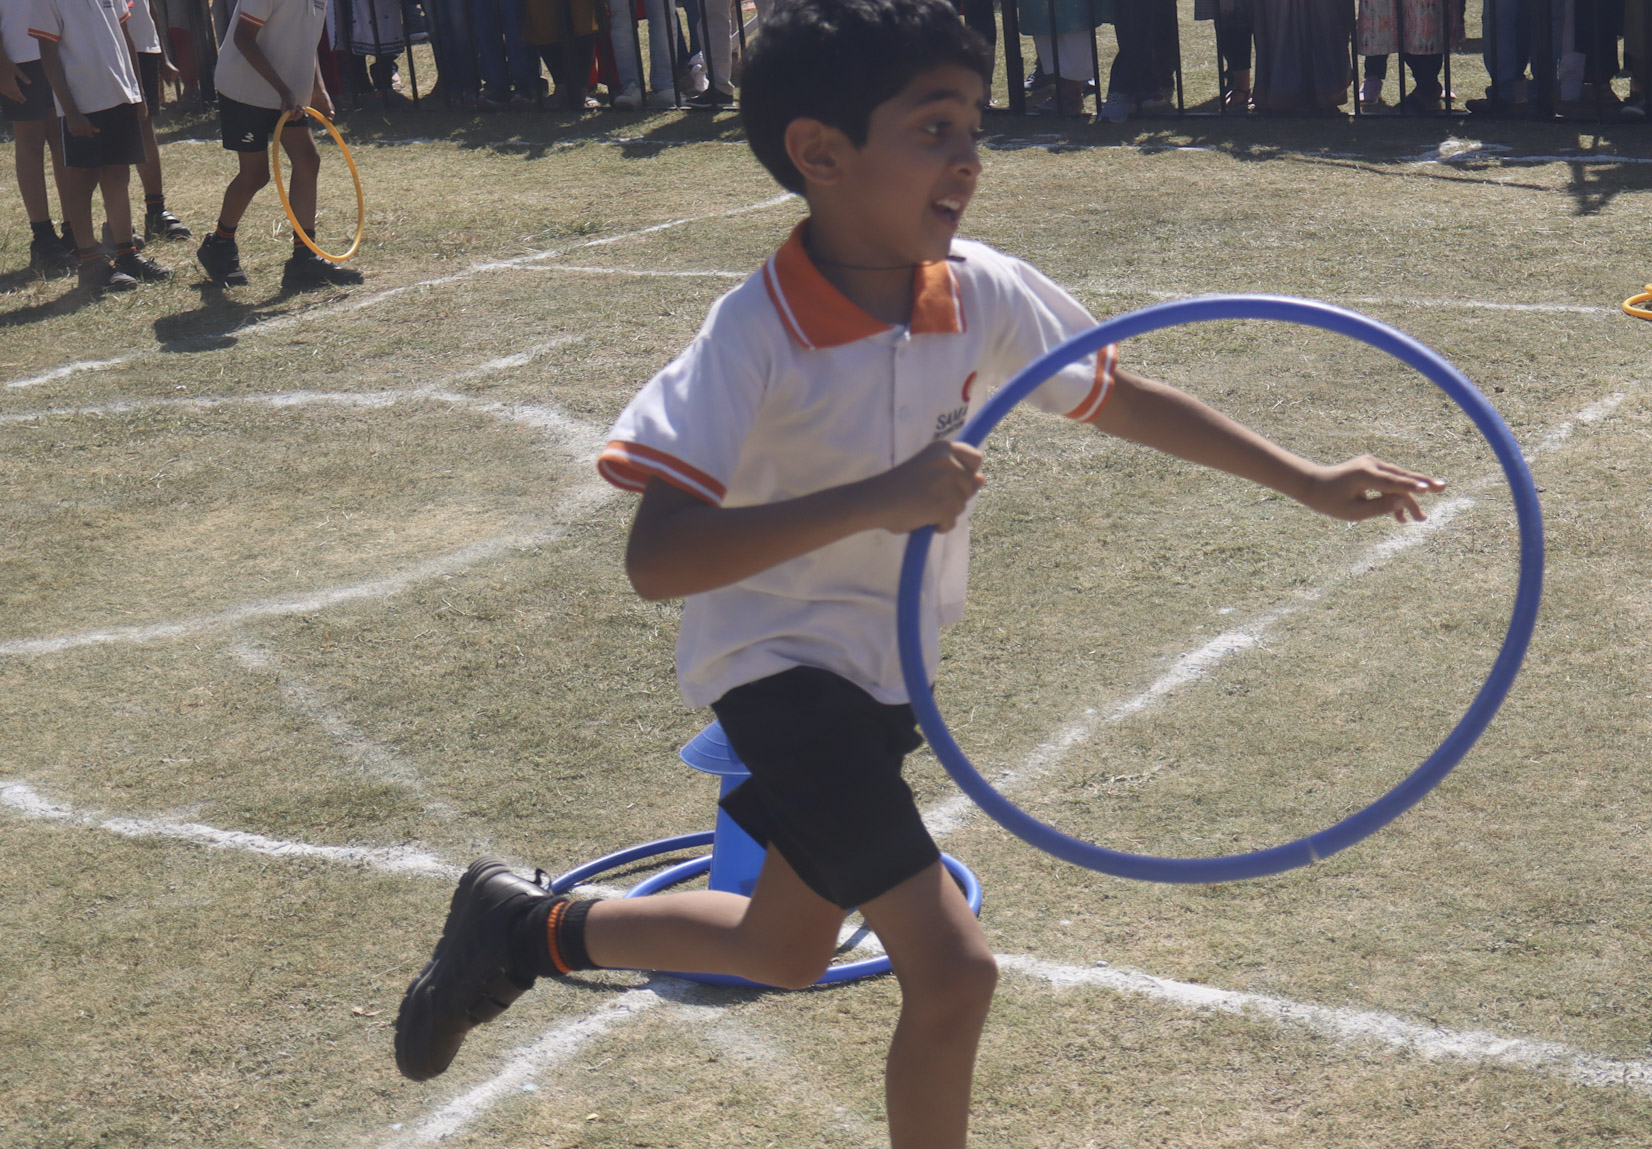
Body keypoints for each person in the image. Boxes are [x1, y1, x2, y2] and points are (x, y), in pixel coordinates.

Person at [391, 4, 1446, 1148]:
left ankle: (521, 930)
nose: (970, 157)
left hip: (885, 673)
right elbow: (658, 560)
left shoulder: (980, 289)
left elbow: (1117, 397)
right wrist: (874, 498)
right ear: (820, 152)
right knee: (954, 970)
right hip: (781, 675)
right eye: (935, 127)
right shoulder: (753, 336)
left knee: (780, 949)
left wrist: (1302, 478)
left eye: (974, 127)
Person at [197, 0, 362, 289]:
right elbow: (243, 38)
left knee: (308, 159)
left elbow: (306, 40)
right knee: (255, 174)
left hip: (288, 93)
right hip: (245, 90)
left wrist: (318, 89)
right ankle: (219, 244)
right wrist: (283, 89)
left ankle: (304, 258)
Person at [31, 0, 173, 290]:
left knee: (118, 175)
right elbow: (48, 55)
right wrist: (70, 111)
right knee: (82, 180)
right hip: (82, 103)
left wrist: (138, 93)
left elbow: (125, 36)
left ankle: (126, 254)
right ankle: (90, 262)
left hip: (120, 95)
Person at [2, 0, 76, 274]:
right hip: (19, 54)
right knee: (31, 142)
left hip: (61, 47)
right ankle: (43, 238)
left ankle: (74, 229)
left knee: (63, 138)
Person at [122, 0, 190, 240]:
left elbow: (149, 7)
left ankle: (156, 211)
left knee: (145, 127)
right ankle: (117, 222)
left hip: (143, 46)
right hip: (109, 50)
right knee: (116, 134)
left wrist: (162, 56)